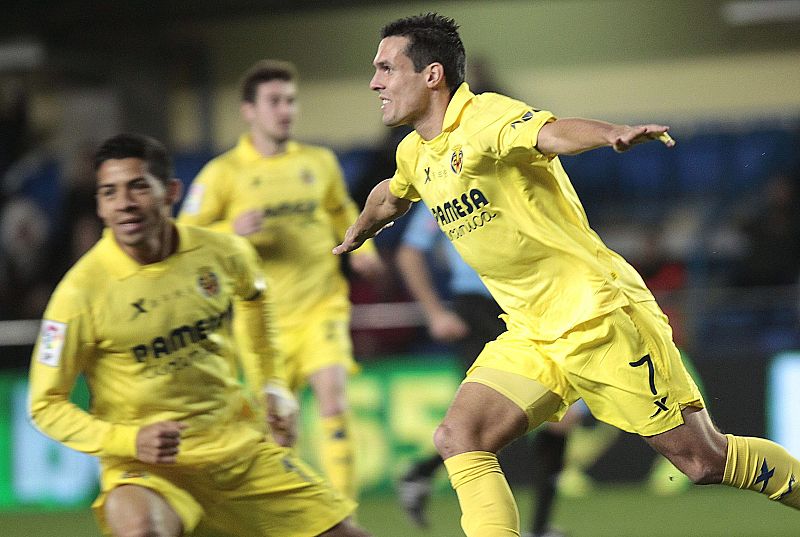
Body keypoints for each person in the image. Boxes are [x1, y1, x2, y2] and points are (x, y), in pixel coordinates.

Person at [333, 13, 800, 537]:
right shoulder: (416, 152)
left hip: (598, 316)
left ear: (432, 74)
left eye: (385, 69)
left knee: (702, 460)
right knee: (459, 436)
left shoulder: (485, 120)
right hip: (532, 332)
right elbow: (390, 194)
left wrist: (612, 135)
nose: (375, 82)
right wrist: (359, 230)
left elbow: (550, 133)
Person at [28, 133, 370, 537]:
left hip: (238, 452)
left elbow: (255, 300)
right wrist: (128, 440)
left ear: (170, 192)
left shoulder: (223, 253)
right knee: (139, 528)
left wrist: (272, 384)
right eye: (109, 192)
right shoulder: (78, 295)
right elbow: (45, 404)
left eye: (138, 186)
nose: (124, 204)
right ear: (100, 205)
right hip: (147, 470)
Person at [177, 60, 384, 502]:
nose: (286, 110)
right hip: (261, 326)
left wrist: (363, 249)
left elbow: (339, 210)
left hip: (322, 307)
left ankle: (344, 516)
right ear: (248, 110)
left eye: (290, 100)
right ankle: (291, 519)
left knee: (334, 404)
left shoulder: (319, 162)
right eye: (274, 101)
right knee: (277, 433)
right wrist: (231, 228)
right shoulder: (223, 173)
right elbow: (183, 236)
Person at [396, 203, 578, 537]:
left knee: (559, 419)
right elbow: (410, 252)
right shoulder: (443, 190)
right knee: (520, 419)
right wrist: (434, 313)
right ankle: (538, 528)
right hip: (479, 308)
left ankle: (422, 471)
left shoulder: (505, 173)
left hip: (526, 301)